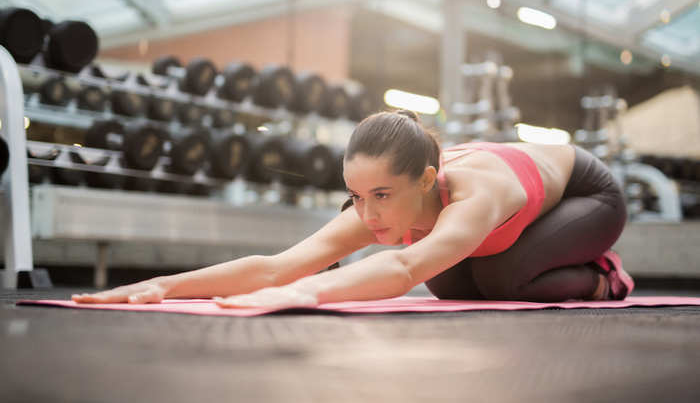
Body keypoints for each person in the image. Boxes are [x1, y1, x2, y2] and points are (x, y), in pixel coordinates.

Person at [72, 110, 634, 310]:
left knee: (502, 276)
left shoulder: (473, 194)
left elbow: (403, 270)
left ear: (427, 182)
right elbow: (276, 265)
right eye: (357, 195)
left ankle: (602, 276)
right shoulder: (379, 203)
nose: (367, 214)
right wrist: (162, 286)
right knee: (456, 287)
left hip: (588, 196)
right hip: (498, 223)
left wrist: (305, 293)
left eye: (382, 196)